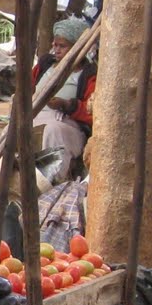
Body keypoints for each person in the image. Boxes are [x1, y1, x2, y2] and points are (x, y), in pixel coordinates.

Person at [33, 16, 96, 185]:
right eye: (55, 45)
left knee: (52, 131)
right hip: (36, 117)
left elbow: (94, 114)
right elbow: (27, 88)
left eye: (63, 46)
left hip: (68, 126)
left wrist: (67, 105)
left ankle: (51, 182)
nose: (57, 50)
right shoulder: (45, 65)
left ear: (77, 48)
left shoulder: (89, 74)